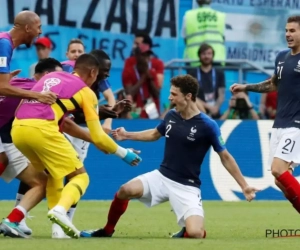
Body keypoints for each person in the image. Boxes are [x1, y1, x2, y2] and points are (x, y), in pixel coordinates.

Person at [80, 74, 258, 239]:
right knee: (125, 190)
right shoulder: (172, 115)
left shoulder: (208, 125)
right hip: (162, 177)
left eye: (174, 94)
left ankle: (186, 231)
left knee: (196, 233)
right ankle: (107, 230)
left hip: (188, 186)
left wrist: (244, 186)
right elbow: (155, 134)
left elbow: (225, 157)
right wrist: (127, 135)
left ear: (188, 96)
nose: (169, 97)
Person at [6, 54, 141, 239]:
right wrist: (123, 153)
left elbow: (65, 119)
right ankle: (60, 211)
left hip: (18, 129)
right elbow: (98, 135)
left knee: (53, 175)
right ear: (93, 72)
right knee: (81, 177)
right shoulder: (87, 93)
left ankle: (56, 231)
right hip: (42, 129)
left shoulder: (50, 77)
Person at [0, 58, 93, 238]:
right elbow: (66, 124)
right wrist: (102, 140)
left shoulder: (18, 84)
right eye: (55, 75)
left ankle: (14, 220)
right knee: (39, 179)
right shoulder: (38, 91)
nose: (60, 79)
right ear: (43, 76)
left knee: (39, 179)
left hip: (9, 137)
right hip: (8, 137)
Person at [230, 15, 300, 215]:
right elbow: (273, 84)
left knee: (278, 169)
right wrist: (246, 87)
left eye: (292, 31)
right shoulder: (282, 57)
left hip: (297, 123)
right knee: (280, 181)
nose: (288, 34)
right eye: (286, 30)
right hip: (280, 123)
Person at [0, 11, 57, 181]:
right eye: (38, 27)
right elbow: (2, 88)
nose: (40, 32)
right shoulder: (4, 44)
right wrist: (37, 95)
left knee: (2, 160)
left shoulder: (4, 42)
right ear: (27, 27)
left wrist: (7, 80)